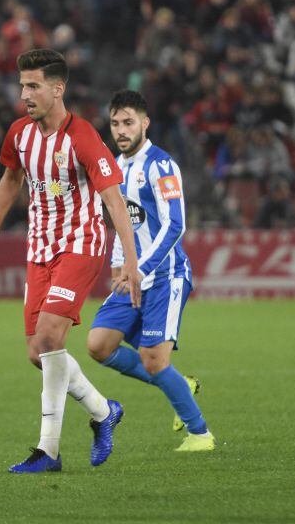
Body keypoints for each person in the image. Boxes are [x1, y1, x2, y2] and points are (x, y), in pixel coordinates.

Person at [0, 49, 141, 474]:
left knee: (49, 338)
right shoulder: (18, 133)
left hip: (81, 246)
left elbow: (113, 199)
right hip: (39, 250)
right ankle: (105, 411)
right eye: (22, 86)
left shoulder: (82, 136)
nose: (24, 94)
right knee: (38, 351)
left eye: (33, 86)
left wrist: (129, 261)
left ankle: (48, 451)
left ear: (57, 88)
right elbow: (11, 179)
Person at [86, 90, 214, 452]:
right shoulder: (113, 167)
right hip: (131, 276)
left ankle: (200, 433)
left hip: (166, 277)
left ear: (145, 123)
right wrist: (117, 265)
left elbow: (175, 225)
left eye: (128, 122)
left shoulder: (161, 165)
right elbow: (121, 223)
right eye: (115, 123)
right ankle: (179, 382)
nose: (121, 130)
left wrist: (138, 268)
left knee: (154, 361)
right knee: (98, 345)